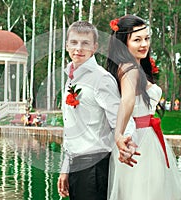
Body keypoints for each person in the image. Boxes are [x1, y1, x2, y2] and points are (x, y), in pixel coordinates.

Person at [57, 21, 137, 200]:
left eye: (85, 43)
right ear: (66, 45)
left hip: (95, 168)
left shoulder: (101, 79)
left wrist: (127, 143)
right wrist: (66, 168)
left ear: (94, 47)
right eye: (74, 42)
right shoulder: (71, 79)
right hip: (76, 165)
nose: (79, 48)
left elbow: (123, 119)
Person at [106, 15, 181, 199]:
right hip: (140, 142)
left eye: (146, 38)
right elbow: (127, 101)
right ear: (123, 43)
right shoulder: (129, 68)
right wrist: (118, 135)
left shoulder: (134, 67)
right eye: (137, 40)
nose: (144, 44)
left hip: (147, 138)